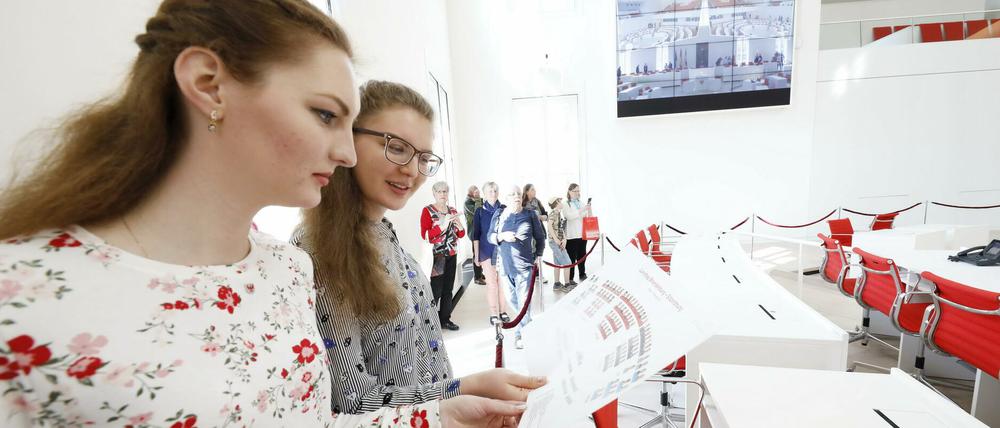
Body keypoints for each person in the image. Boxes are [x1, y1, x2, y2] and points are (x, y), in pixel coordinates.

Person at [0, 1, 527, 426]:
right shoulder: (25, 295)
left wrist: (441, 412)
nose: (344, 153)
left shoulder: (283, 270)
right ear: (209, 85)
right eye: (324, 114)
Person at [293, 81, 544, 415]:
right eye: (396, 148)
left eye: (424, 158)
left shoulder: (385, 234)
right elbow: (352, 403)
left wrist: (467, 393)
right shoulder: (317, 252)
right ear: (347, 142)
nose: (412, 170)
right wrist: (465, 391)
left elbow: (422, 363)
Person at [489, 185, 545, 350]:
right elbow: (489, 236)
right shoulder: (499, 214)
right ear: (506, 198)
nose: (516, 197)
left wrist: (538, 256)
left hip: (524, 268)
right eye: (512, 194)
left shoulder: (530, 214)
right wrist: (502, 236)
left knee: (523, 302)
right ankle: (528, 325)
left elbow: (540, 237)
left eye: (518, 194)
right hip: (505, 267)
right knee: (513, 300)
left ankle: (521, 334)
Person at [421, 181, 464, 331]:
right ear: (434, 193)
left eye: (445, 191)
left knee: (448, 289)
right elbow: (425, 235)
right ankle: (430, 323)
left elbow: (460, 234)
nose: (442, 194)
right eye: (439, 191)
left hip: (452, 254)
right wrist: (443, 225)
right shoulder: (428, 211)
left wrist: (460, 227)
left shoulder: (452, 210)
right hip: (438, 256)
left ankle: (445, 319)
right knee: (436, 290)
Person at [472, 181, 507, 318]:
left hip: (502, 251)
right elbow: (476, 235)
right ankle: (494, 313)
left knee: (502, 284)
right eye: (490, 191)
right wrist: (476, 256)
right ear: (484, 194)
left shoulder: (504, 209)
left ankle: (503, 312)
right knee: (492, 284)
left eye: (495, 191)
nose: (493, 193)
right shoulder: (479, 211)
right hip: (486, 252)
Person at [563, 183, 592, 285]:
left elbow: (587, 218)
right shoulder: (566, 204)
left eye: (578, 191)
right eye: (575, 191)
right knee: (571, 258)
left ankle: (582, 273)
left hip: (582, 234)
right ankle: (570, 278)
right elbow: (569, 217)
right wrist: (582, 210)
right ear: (569, 192)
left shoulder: (581, 203)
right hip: (571, 235)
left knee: (582, 255)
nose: (577, 193)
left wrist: (589, 209)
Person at [521, 183, 548, 284]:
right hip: (527, 233)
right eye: (532, 189)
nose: (534, 191)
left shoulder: (538, 202)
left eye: (534, 189)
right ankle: (530, 275)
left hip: (539, 231)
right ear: (526, 191)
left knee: (538, 253)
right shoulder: (522, 204)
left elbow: (546, 215)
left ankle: (537, 275)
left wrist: (541, 217)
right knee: (529, 254)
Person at [545, 196, 571, 292]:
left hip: (559, 241)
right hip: (555, 242)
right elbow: (549, 226)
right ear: (556, 203)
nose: (562, 202)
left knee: (557, 263)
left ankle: (557, 284)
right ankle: (567, 285)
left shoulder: (558, 213)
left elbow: (561, 227)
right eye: (560, 201)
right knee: (567, 263)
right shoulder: (554, 213)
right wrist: (556, 239)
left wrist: (564, 239)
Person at [463, 185, 486, 285]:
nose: (478, 192)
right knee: (476, 254)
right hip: (474, 233)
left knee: (480, 253)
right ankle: (477, 277)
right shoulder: (468, 202)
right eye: (475, 191)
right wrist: (477, 199)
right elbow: (477, 213)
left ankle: (479, 273)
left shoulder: (478, 200)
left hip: (481, 231)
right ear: (471, 192)